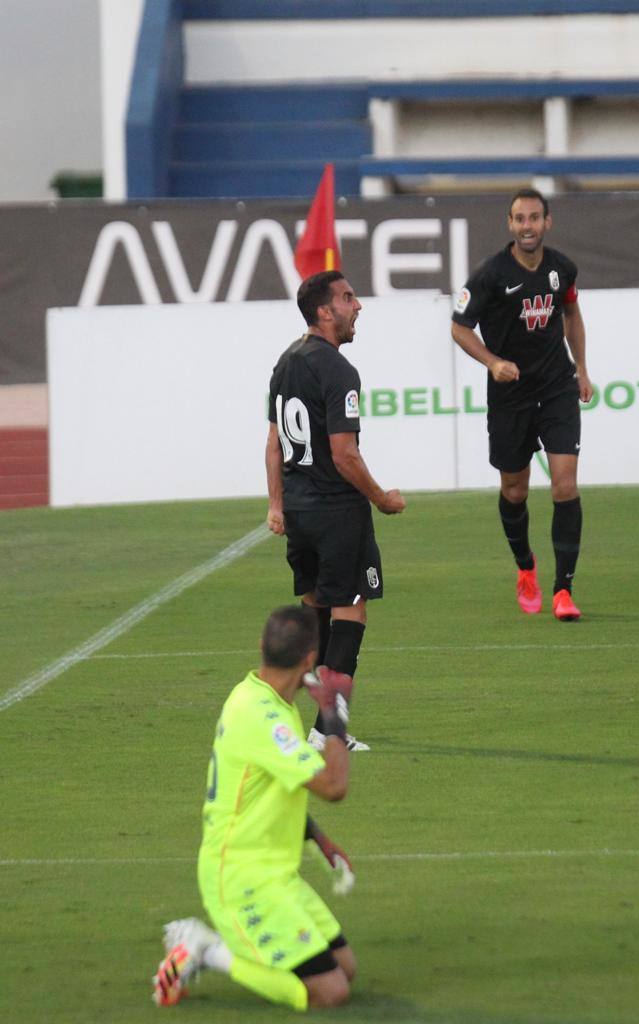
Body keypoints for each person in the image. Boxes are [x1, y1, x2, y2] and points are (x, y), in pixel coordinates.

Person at [152, 605, 359, 1011]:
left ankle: (215, 948)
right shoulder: (264, 717)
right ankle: (204, 948)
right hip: (241, 878)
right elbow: (334, 786)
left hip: (273, 872)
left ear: (261, 646)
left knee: (344, 967)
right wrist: (334, 716)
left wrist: (320, 841)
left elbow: (274, 790)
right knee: (331, 992)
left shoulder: (261, 697)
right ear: (309, 659)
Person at [265, 270, 406, 751]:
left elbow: (273, 442)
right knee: (352, 613)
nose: (358, 305)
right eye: (348, 298)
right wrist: (382, 498)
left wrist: (277, 505)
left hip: (301, 515)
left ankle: (305, 719)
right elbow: (345, 454)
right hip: (336, 511)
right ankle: (330, 731)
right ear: (325, 311)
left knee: (316, 617)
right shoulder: (338, 370)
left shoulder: (285, 362)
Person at [451, 188, 593, 621]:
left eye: (534, 217)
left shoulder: (561, 268)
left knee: (564, 485)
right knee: (515, 490)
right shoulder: (490, 275)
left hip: (556, 388)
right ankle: (525, 567)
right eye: (519, 218)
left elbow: (571, 313)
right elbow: (459, 327)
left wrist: (581, 368)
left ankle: (563, 591)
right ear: (509, 224)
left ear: (546, 222)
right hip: (510, 395)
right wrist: (493, 362)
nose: (527, 225)